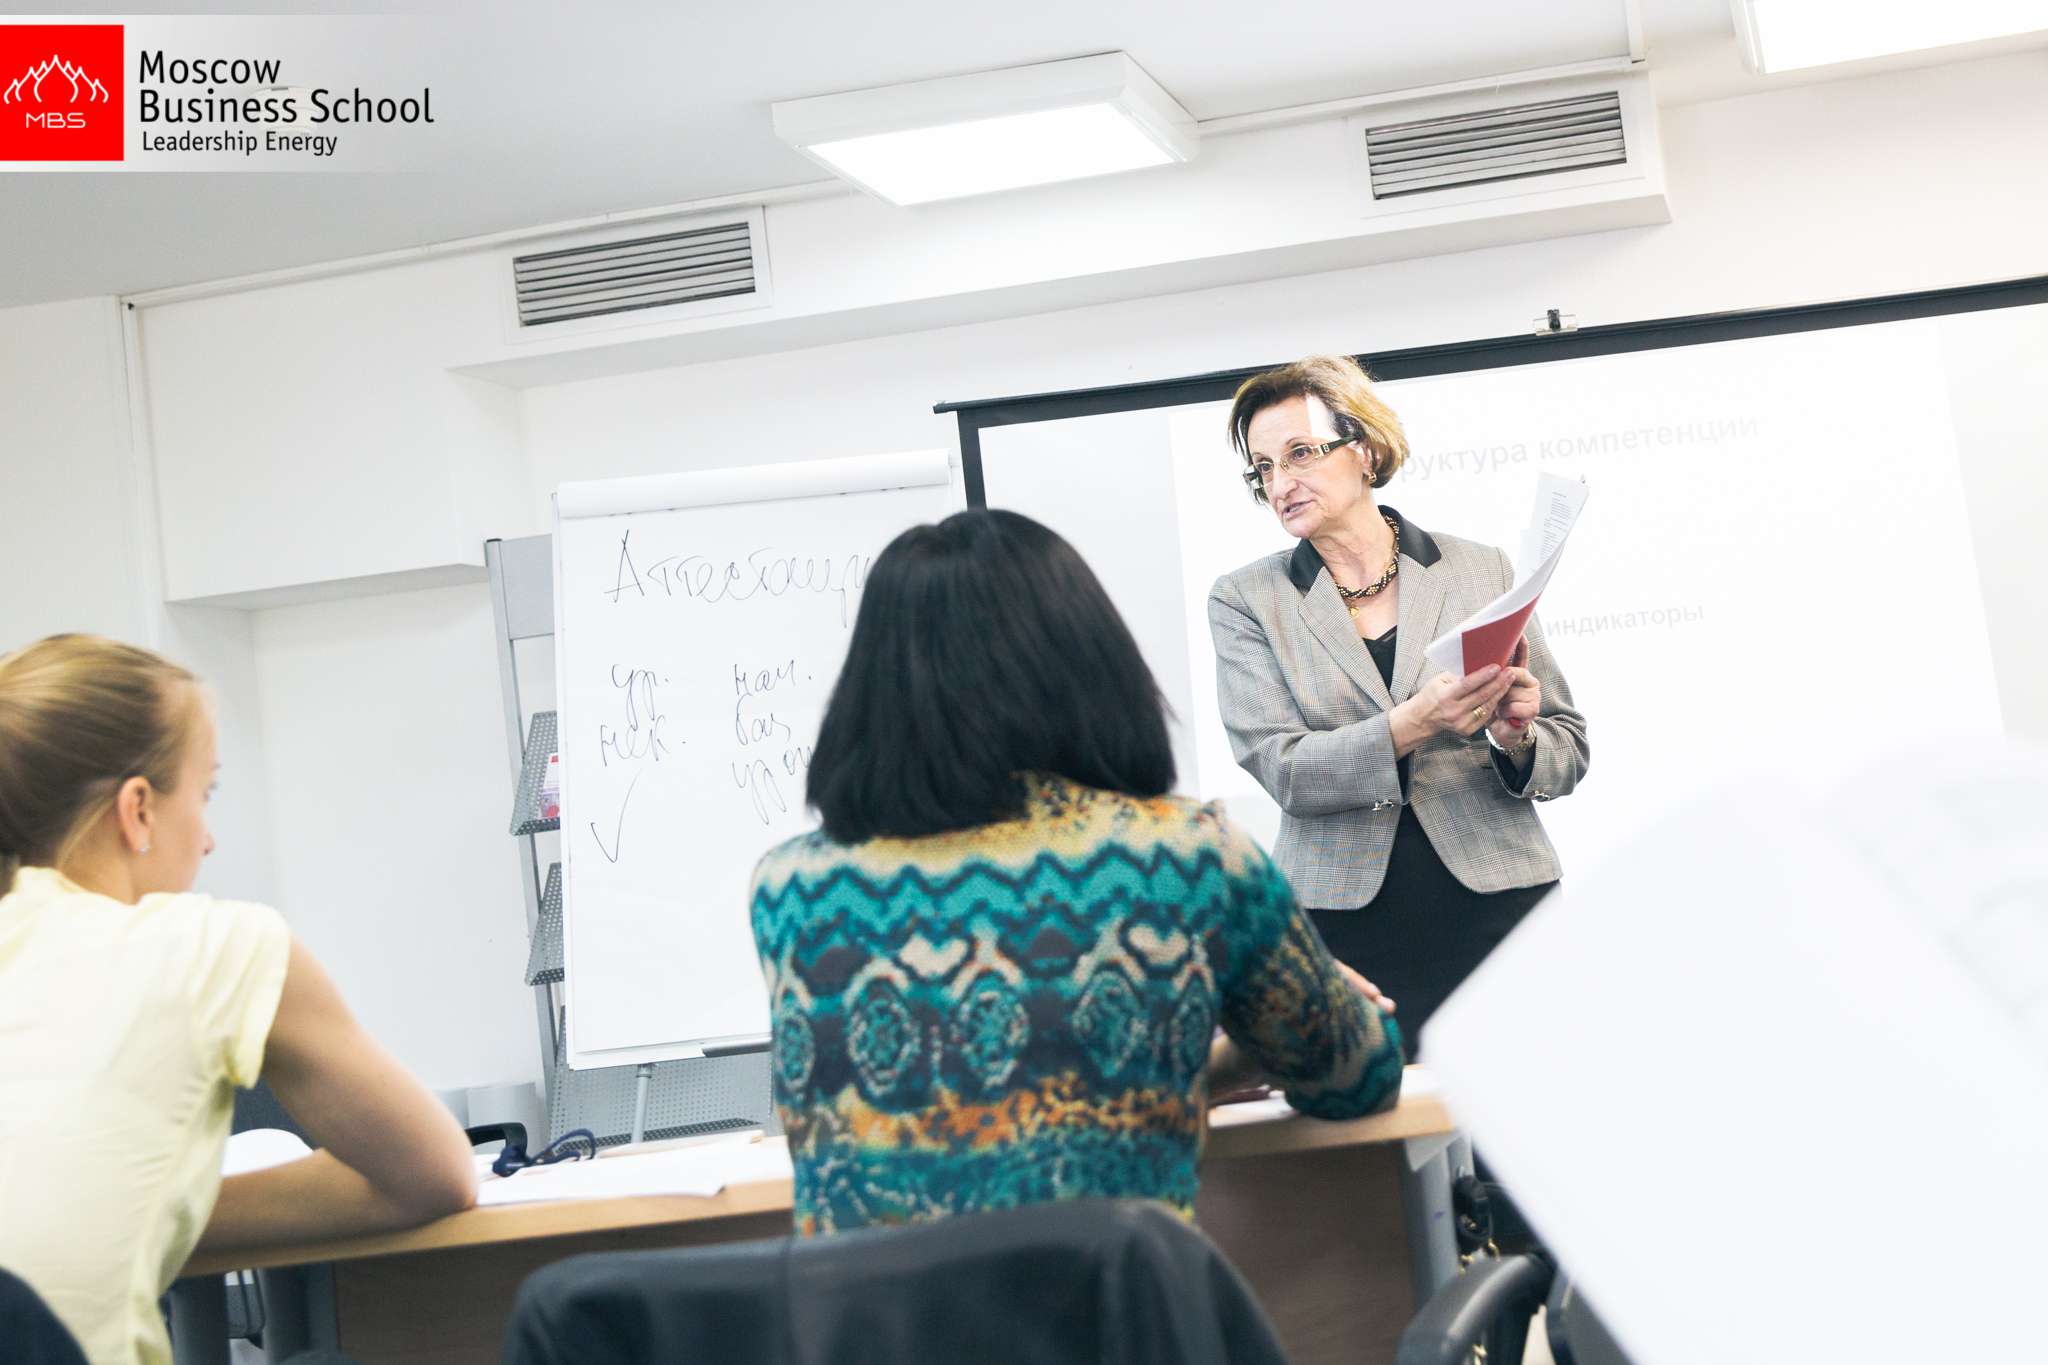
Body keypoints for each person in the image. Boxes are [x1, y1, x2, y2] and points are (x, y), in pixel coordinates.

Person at [749, 509, 1404, 1236]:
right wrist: (1247, 1048)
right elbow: (1357, 1079)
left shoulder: (789, 889)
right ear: (1089, 665)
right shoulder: (1184, 857)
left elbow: (951, 1111)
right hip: (1111, 1306)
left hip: (864, 1311)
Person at [0, 634, 477, 1365]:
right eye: (205, 794)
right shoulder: (211, 945)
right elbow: (434, 1176)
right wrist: (165, 1204)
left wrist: (148, 1205)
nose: (209, 840)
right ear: (138, 810)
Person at [1208, 355, 1590, 1051]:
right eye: (1262, 468)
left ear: (1364, 448)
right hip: (1345, 925)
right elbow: (1283, 769)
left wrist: (1515, 737)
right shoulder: (1246, 600)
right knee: (1382, 1118)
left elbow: (1568, 747)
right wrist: (1413, 724)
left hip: (1501, 903)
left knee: (1532, 1103)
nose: (1280, 483)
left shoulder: (1480, 568)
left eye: (1300, 453)